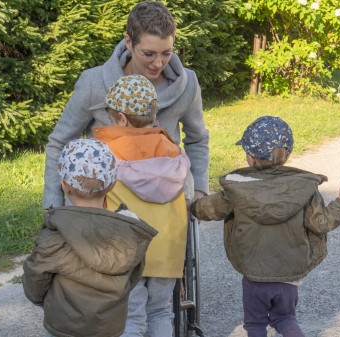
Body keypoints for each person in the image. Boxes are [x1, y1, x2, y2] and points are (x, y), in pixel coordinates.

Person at [189, 116, 340, 337]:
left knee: (255, 324)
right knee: (285, 319)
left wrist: (192, 207)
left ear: (251, 158)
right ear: (287, 155)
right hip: (290, 274)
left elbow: (209, 209)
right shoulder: (303, 188)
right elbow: (321, 222)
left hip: (254, 274)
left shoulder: (237, 189)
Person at [43, 0, 209, 210]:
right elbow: (60, 142)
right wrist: (53, 209)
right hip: (108, 213)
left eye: (166, 53)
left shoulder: (188, 84)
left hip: (169, 212)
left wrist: (199, 192)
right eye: (148, 54)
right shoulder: (93, 82)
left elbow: (197, 139)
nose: (158, 63)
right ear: (129, 42)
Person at [23, 138, 158, 337]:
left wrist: (40, 300)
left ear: (64, 185)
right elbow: (134, 274)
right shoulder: (127, 230)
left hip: (63, 327)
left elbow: (35, 277)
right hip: (109, 328)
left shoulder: (55, 233)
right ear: (112, 184)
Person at [92, 74, 191, 336]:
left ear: (121, 118)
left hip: (128, 249)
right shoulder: (172, 151)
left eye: (112, 117)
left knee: (131, 318)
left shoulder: (106, 152)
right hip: (167, 249)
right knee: (160, 312)